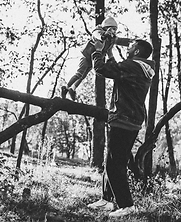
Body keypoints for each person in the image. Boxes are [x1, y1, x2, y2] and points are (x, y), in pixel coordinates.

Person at [87, 39, 155, 218]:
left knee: (113, 164)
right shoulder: (141, 68)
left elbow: (102, 69)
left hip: (123, 119)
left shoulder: (132, 66)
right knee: (115, 159)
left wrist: (98, 51)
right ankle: (107, 199)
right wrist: (110, 54)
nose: (128, 48)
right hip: (131, 119)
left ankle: (126, 205)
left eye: (131, 46)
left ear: (137, 51)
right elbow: (118, 70)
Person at [61, 16, 134, 101]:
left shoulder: (111, 39)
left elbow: (120, 41)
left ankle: (72, 89)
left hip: (93, 58)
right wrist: (104, 35)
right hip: (86, 56)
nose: (113, 32)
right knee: (80, 73)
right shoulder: (98, 32)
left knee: (83, 75)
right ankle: (65, 87)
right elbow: (97, 35)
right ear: (106, 28)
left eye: (115, 29)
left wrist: (133, 42)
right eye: (112, 29)